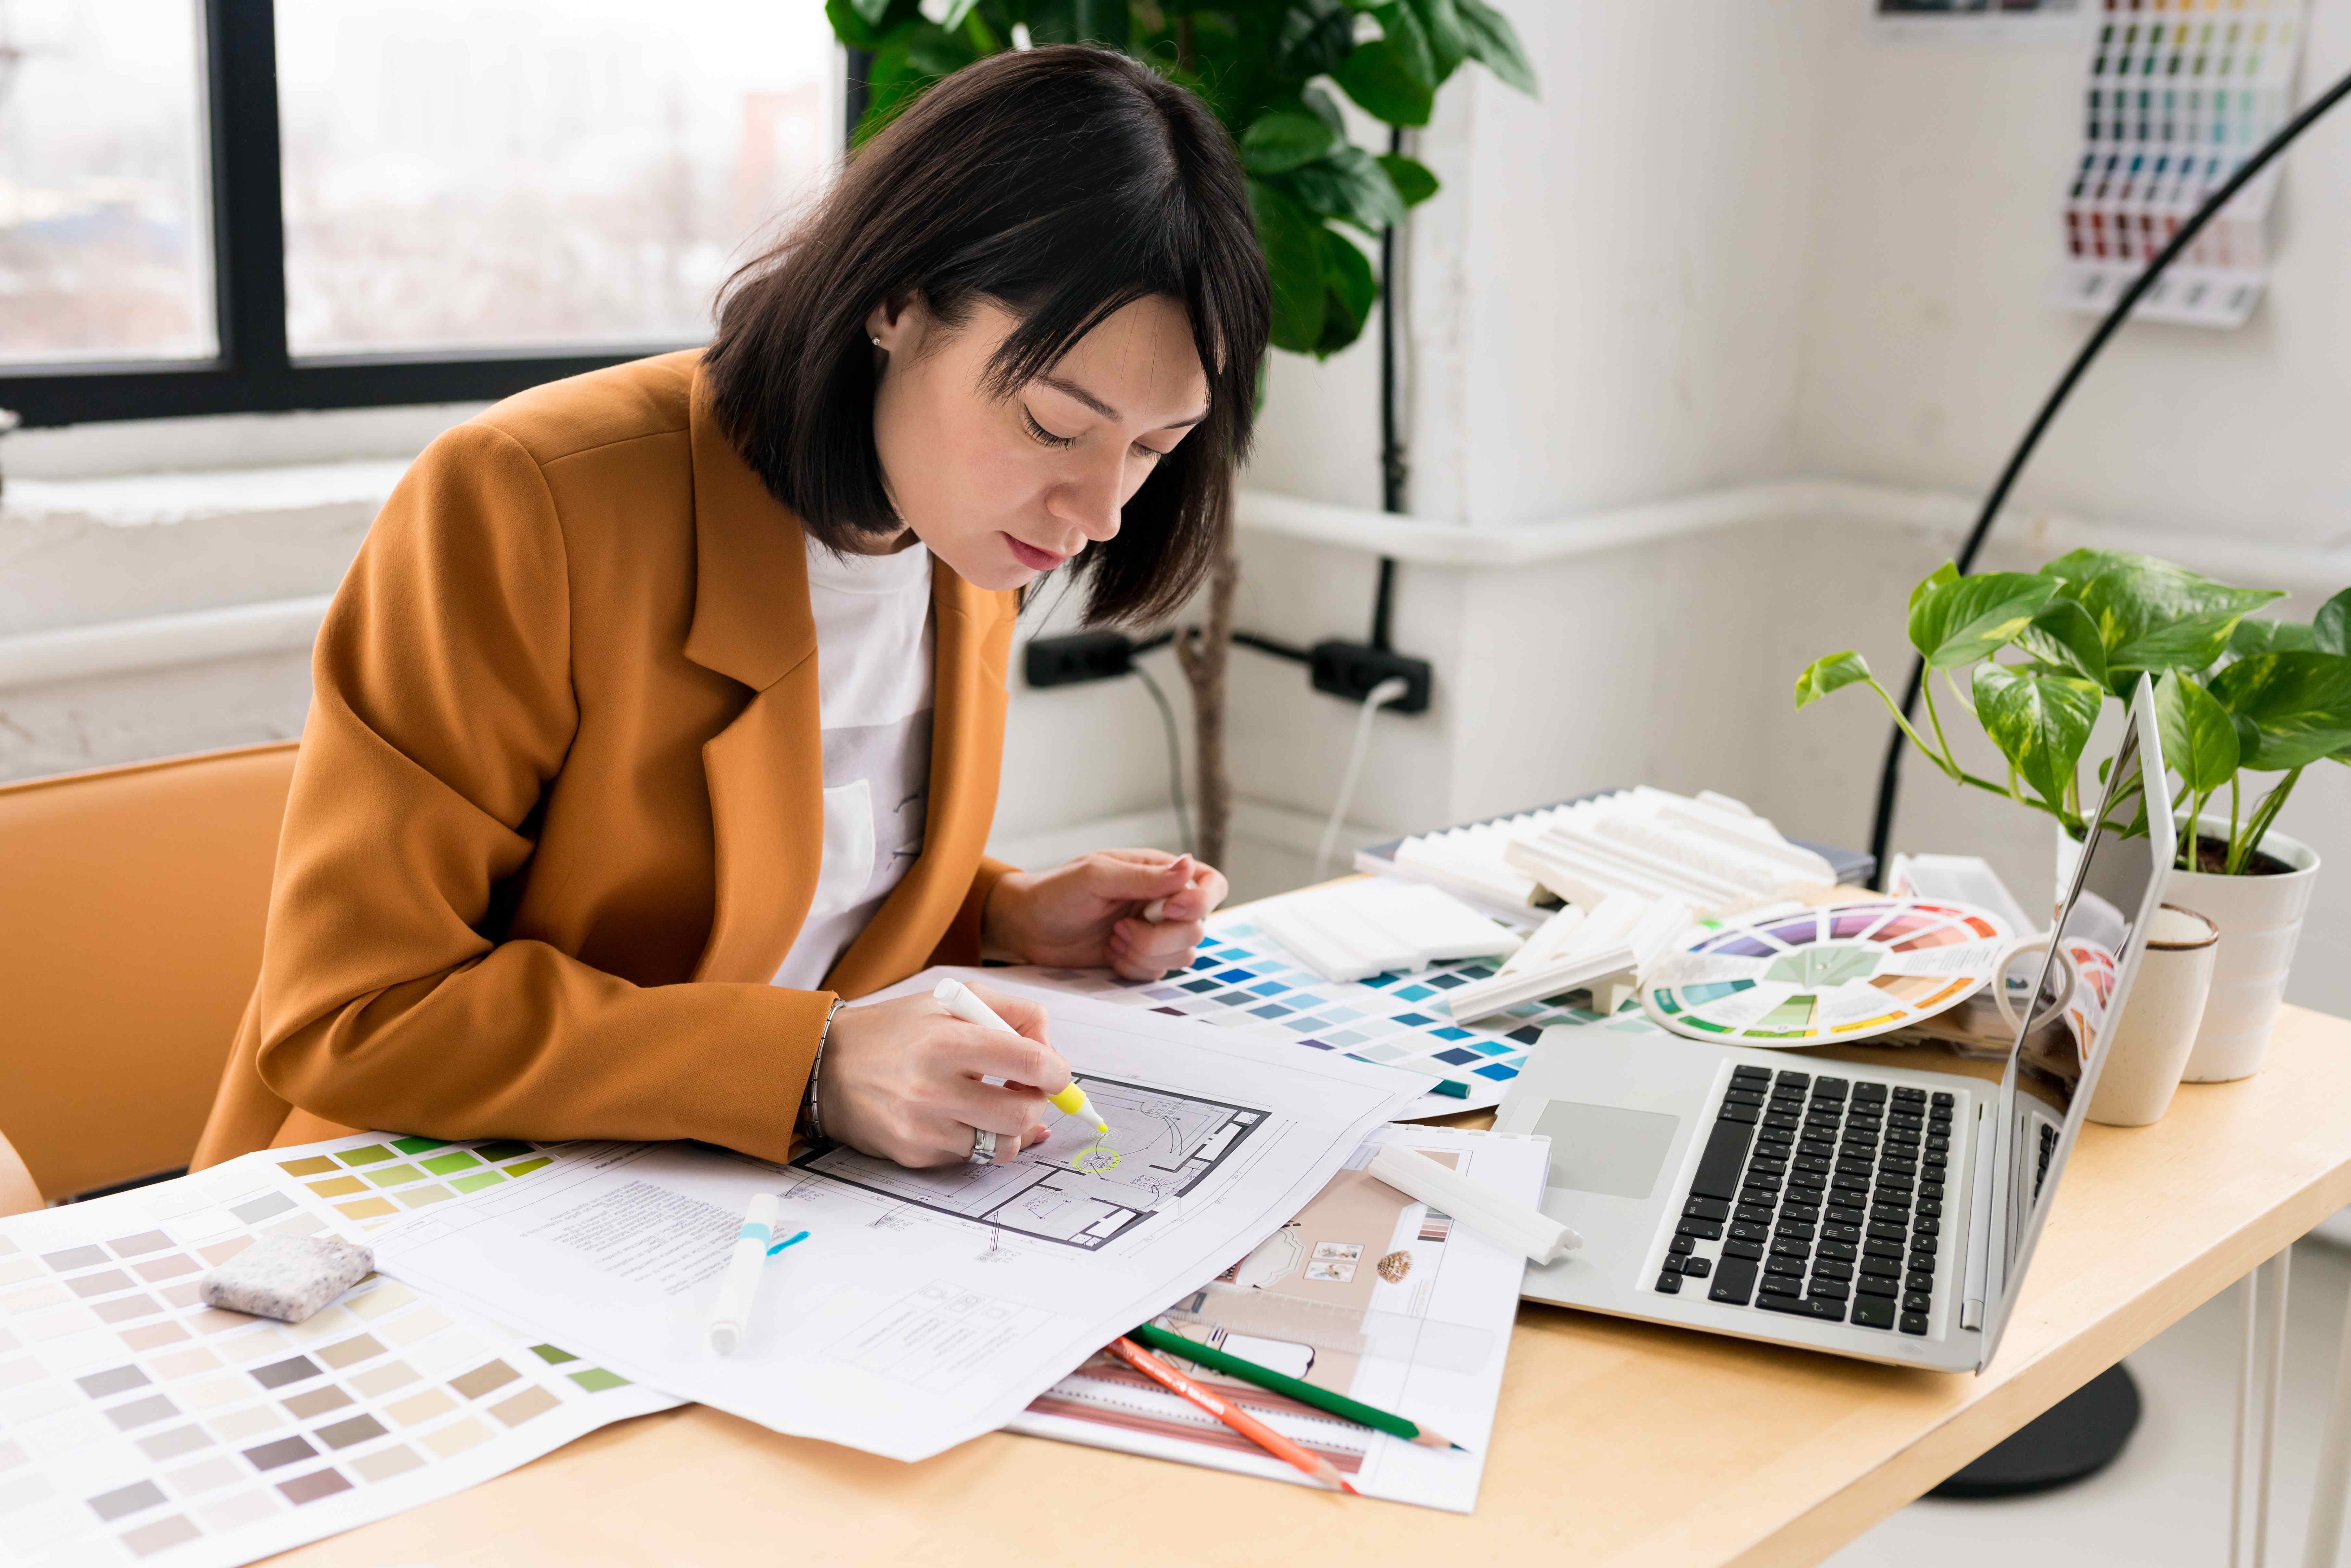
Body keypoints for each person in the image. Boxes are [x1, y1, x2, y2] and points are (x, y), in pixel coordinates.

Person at [192, 46, 1271, 1175]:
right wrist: (811, 1068)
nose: (1099, 511)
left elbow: (767, 871)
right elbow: (355, 1010)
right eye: (1056, 425)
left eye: (1153, 449)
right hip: (408, 1193)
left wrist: (995, 913)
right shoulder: (530, 495)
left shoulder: (961, 523)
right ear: (897, 302)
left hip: (707, 1193)